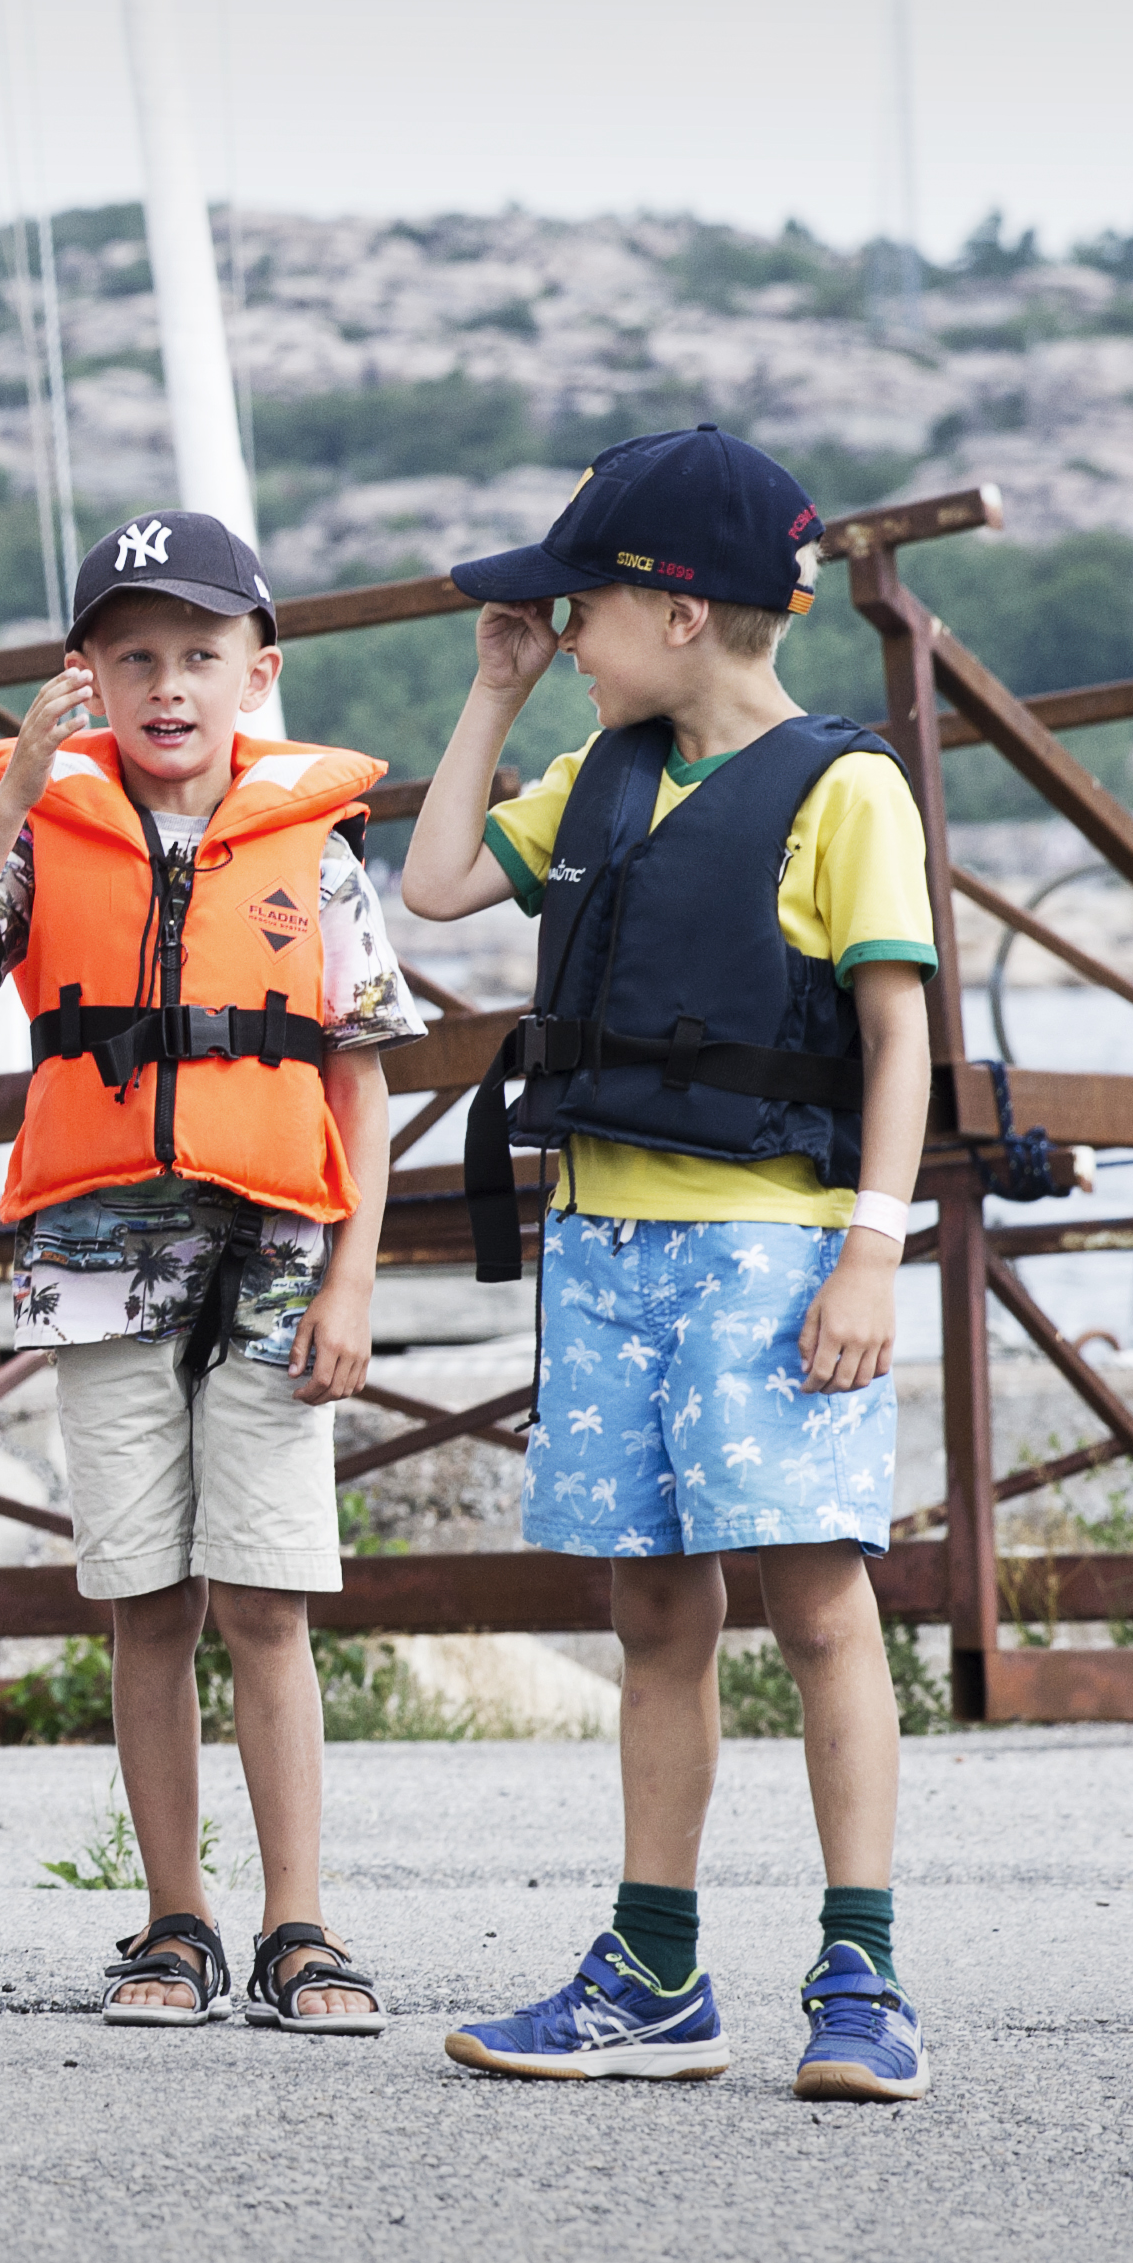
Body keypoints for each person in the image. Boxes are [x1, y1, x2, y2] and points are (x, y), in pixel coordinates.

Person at [405, 427, 934, 2102]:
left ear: (683, 612)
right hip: (608, 1243)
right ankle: (653, 1968)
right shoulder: (599, 779)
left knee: (819, 1596)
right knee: (652, 1607)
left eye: (578, 609)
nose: (559, 635)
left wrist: (873, 1252)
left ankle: (862, 1971)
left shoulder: (846, 789)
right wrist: (491, 695)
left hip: (772, 1247)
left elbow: (898, 1037)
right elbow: (427, 888)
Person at [0, 511, 408, 2035]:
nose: (167, 684)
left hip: (274, 1253)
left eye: (199, 654)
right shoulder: (46, 830)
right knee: (144, 1599)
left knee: (267, 1598)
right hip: (101, 1256)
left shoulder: (310, 848)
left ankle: (299, 1922)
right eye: (133, 658)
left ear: (259, 669)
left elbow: (360, 1078)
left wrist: (354, 1283)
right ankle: (171, 1921)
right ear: (85, 676)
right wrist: (16, 796)